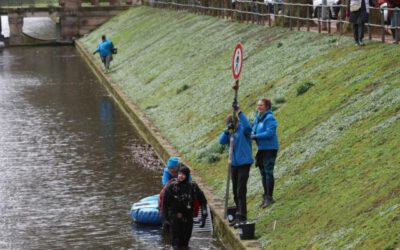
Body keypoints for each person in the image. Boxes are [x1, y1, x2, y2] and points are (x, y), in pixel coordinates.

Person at [219, 102, 253, 227]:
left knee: (240, 190)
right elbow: (221, 141)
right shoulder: (230, 132)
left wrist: (239, 112)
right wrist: (227, 131)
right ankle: (238, 213)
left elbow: (249, 128)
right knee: (234, 190)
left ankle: (241, 216)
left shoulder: (244, 129)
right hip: (233, 164)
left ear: (237, 122)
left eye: (233, 124)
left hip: (244, 163)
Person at [162, 166, 208, 249]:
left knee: (185, 242)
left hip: (188, 218)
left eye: (183, 174)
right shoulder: (171, 187)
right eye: (179, 173)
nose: (180, 176)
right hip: (175, 218)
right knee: (176, 244)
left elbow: (203, 200)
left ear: (187, 175)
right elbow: (164, 204)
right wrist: (165, 219)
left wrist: (204, 214)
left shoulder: (193, 187)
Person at [251, 98, 279, 209]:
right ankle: (265, 196)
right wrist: (253, 133)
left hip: (270, 148)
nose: (258, 107)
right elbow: (254, 129)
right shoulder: (258, 118)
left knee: (268, 172)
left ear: (267, 106)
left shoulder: (270, 118)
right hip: (261, 149)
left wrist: (256, 136)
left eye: (261, 105)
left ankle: (269, 197)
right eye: (258, 105)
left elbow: (270, 133)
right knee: (263, 173)